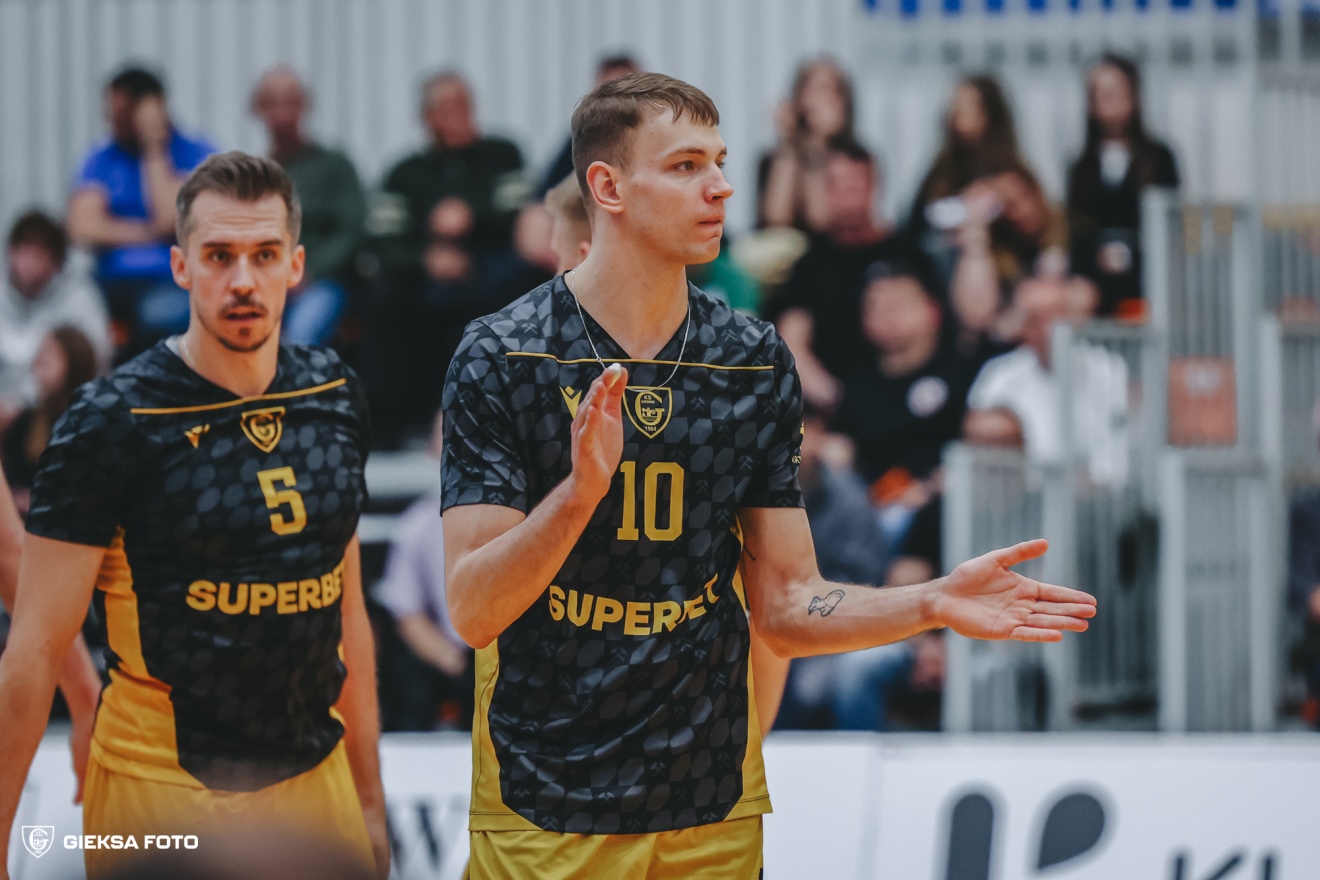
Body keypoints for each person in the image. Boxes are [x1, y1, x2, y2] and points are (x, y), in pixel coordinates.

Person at [441, 71, 1096, 877]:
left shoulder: (753, 361)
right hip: (544, 803)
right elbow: (474, 610)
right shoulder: (502, 355)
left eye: (719, 162)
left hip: (710, 809)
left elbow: (785, 604)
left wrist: (929, 602)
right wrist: (579, 498)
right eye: (686, 166)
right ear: (607, 188)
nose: (720, 186)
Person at [0, 152, 388, 880]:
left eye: (264, 255)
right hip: (159, 794)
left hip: (317, 783)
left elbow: (349, 616)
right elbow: (32, 653)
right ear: (181, 267)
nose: (242, 280)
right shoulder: (110, 420)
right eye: (219, 256)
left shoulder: (334, 395)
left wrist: (370, 801)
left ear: (296, 266)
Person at [366, 71, 536, 442]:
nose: (461, 114)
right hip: (426, 275)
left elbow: (520, 218)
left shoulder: (503, 155)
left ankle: (498, 411)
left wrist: (471, 217)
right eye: (448, 107)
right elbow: (382, 239)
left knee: (514, 281)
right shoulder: (405, 173)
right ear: (427, 117)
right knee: (383, 294)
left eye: (464, 104)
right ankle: (388, 424)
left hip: (490, 267)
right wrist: (426, 258)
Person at [67, 66, 216, 353]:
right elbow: (82, 229)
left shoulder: (197, 154)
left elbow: (168, 219)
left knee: (159, 315)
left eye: (122, 112)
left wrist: (153, 147)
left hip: (171, 279)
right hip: (109, 280)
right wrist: (151, 232)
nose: (113, 120)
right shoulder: (100, 158)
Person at [773, 141, 919, 412]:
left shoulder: (906, 253)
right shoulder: (810, 263)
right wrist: (829, 397)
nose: (845, 196)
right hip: (832, 402)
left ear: (874, 186)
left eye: (853, 185)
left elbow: (929, 327)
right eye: (836, 186)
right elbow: (792, 339)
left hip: (906, 394)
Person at [964, 274, 1127, 487]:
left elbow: (1116, 454)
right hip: (1016, 495)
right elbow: (977, 446)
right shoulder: (999, 375)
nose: (1048, 329)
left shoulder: (1107, 370)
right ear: (1023, 325)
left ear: (1074, 318)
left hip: (1093, 497)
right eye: (1036, 319)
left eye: (1056, 316)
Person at [251, 65, 367, 345]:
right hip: (262, 284)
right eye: (272, 102)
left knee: (300, 335)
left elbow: (353, 231)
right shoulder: (251, 175)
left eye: (290, 101)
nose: (281, 112)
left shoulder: (335, 166)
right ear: (257, 107)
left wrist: (308, 272)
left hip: (322, 282)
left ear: (305, 105)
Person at [374, 411, 474, 731]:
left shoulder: (527, 512)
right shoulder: (416, 526)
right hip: (455, 658)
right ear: (433, 448)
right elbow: (406, 612)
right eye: (447, 439)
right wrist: (454, 661)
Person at [1067, 53, 1180, 320]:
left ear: (1134, 95)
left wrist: (1132, 254)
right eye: (1099, 92)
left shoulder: (1159, 158)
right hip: (1095, 282)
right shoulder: (1081, 166)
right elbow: (1079, 229)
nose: (1107, 99)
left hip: (1149, 274)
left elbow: (1170, 224)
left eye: (1115, 91)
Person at [0, 211, 111, 405]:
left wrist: (21, 405)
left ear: (57, 262)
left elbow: (93, 365)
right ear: (11, 253)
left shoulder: (79, 299)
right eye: (24, 252)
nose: (29, 264)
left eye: (39, 255)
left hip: (62, 408)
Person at [0, 326, 99, 513]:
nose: (36, 363)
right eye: (39, 355)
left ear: (74, 364)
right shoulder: (27, 419)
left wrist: (39, 500)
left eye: (46, 357)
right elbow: (12, 474)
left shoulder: (90, 424)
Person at [757, 57, 857, 232]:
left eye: (825, 89)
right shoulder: (775, 158)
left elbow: (820, 221)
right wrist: (789, 143)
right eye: (809, 88)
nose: (816, 99)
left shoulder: (856, 159)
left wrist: (818, 144)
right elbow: (776, 219)